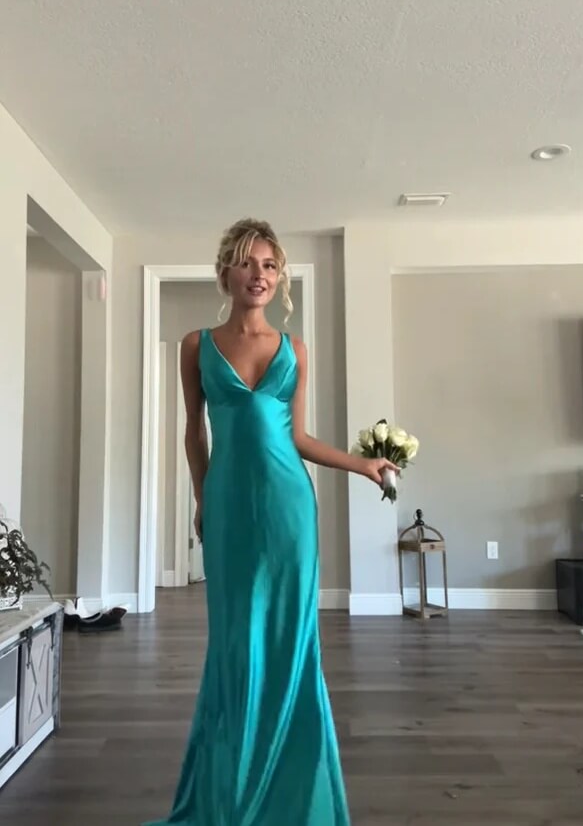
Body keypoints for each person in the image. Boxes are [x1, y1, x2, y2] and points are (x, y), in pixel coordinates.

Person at [144, 219, 398, 826]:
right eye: (246, 262)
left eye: (269, 265)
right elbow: (194, 432)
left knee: (290, 643)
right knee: (235, 643)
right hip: (230, 507)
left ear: (279, 277)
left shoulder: (294, 350)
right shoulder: (195, 345)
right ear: (225, 274)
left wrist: (363, 464)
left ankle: (294, 792)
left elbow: (299, 438)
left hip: (289, 511)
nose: (258, 274)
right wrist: (202, 499)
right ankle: (231, 788)